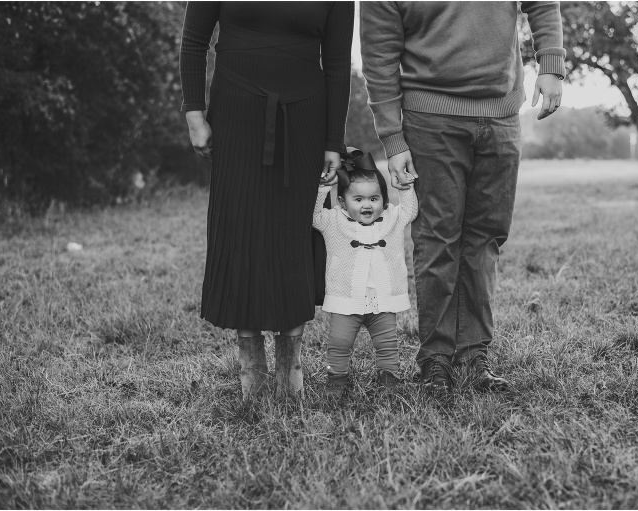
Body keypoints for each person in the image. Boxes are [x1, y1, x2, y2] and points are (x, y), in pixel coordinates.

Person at [360, 2, 565, 395]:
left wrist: (551, 64)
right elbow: (379, 50)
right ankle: (435, 359)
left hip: (502, 113)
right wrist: (392, 135)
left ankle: (473, 355)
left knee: (485, 237)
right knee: (437, 238)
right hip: (429, 117)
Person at [180, 2, 353, 399]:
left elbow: (339, 62)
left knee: (293, 237)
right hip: (236, 113)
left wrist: (333, 141)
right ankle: (252, 370)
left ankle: (290, 367)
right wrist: (194, 114)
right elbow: (193, 42)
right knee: (242, 231)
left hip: (305, 118)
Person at [312, 150, 418, 397]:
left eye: (374, 198)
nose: (367, 205)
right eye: (358, 199)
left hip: (383, 299)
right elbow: (314, 216)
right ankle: (336, 377)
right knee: (338, 344)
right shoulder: (334, 220)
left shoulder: (392, 218)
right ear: (343, 203)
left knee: (388, 345)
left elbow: (410, 210)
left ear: (384, 200)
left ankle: (389, 377)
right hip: (346, 300)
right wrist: (322, 189)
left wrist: (405, 187)